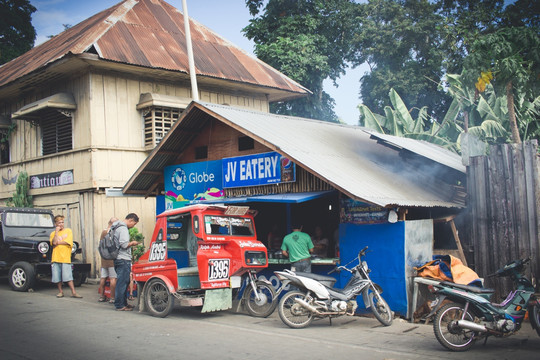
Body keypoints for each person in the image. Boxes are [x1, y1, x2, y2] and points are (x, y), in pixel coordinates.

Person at [50, 215, 82, 298]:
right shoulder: (53, 234)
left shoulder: (68, 231)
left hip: (65, 257)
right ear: (56, 224)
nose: (61, 224)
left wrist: (58, 242)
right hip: (56, 257)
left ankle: (73, 292)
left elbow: (68, 242)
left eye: (62, 222)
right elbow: (53, 243)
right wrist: (56, 232)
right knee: (57, 277)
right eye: (59, 222)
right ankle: (60, 292)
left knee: (68, 276)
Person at [114, 213, 140, 311]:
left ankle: (123, 303)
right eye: (134, 224)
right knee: (122, 282)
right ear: (131, 220)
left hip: (118, 258)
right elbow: (124, 245)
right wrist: (133, 243)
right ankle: (120, 305)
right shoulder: (123, 228)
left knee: (123, 281)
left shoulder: (116, 227)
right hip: (123, 258)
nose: (133, 226)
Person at [98, 217, 118, 303]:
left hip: (104, 259)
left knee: (103, 278)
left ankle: (102, 296)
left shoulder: (103, 232)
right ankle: (112, 298)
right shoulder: (113, 232)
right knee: (113, 279)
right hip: (111, 259)